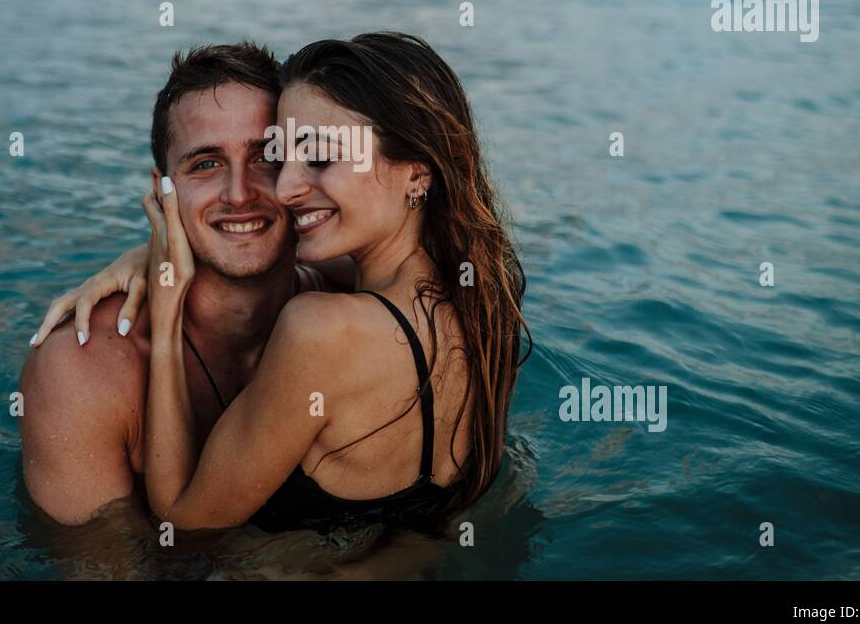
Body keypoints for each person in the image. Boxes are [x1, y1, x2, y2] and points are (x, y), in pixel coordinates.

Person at [60, 32, 530, 534]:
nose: (286, 188)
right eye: (282, 157)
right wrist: (159, 249)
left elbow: (183, 521)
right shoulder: (483, 294)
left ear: (417, 172)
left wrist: (169, 308)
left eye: (321, 158)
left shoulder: (320, 330)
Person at [18, 42, 342, 526]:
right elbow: (108, 568)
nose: (239, 194)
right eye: (206, 164)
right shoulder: (80, 370)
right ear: (161, 191)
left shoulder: (352, 309)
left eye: (265, 158)